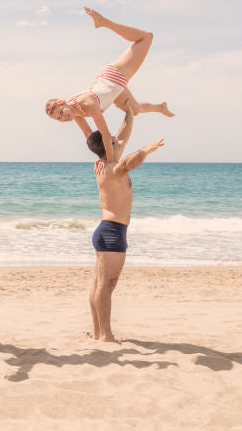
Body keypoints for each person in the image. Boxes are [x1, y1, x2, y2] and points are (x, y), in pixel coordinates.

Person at [46, 7, 173, 163]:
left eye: (60, 112)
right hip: (112, 88)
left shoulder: (87, 104)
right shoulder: (75, 113)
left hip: (115, 76)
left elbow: (105, 134)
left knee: (146, 37)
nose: (63, 118)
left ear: (64, 103)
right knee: (135, 110)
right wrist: (100, 158)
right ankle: (160, 107)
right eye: (59, 119)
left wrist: (111, 162)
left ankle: (104, 22)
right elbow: (89, 136)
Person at [84, 108, 165, 342]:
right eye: (111, 140)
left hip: (108, 230)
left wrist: (129, 111)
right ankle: (106, 335)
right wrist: (147, 150)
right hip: (112, 232)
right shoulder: (111, 169)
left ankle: (99, 332)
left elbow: (123, 135)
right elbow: (131, 161)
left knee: (100, 284)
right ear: (107, 145)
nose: (116, 141)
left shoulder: (103, 163)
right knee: (106, 285)